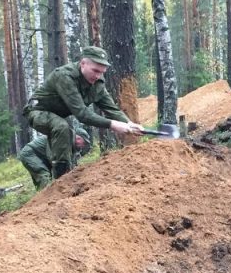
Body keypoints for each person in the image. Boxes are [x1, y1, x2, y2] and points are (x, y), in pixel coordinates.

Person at [23, 45, 143, 176]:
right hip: (37, 111)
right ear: (83, 63)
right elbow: (82, 114)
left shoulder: (97, 84)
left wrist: (128, 123)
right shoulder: (65, 76)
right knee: (62, 127)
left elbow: (111, 109)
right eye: (95, 71)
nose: (98, 76)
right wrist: (113, 125)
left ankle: (63, 175)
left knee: (65, 131)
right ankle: (60, 177)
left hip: (58, 116)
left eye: (102, 72)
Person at [18, 120, 91, 190]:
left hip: (41, 156)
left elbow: (72, 165)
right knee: (44, 175)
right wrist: (60, 177)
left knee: (45, 177)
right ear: (78, 138)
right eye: (84, 143)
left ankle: (41, 196)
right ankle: (46, 199)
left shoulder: (72, 147)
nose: (83, 146)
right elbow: (52, 156)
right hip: (31, 153)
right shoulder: (63, 139)